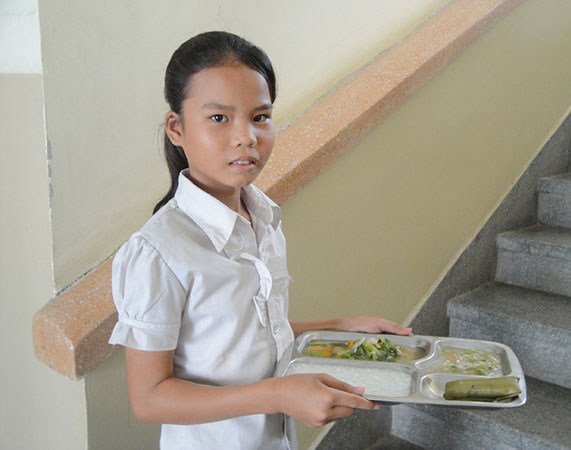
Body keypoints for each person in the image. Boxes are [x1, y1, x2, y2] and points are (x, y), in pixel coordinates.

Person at [108, 31, 412, 450]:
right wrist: (277, 395)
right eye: (219, 118)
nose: (246, 137)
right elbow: (149, 398)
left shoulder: (263, 218)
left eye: (260, 117)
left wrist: (339, 328)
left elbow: (246, 334)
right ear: (176, 128)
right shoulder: (158, 252)